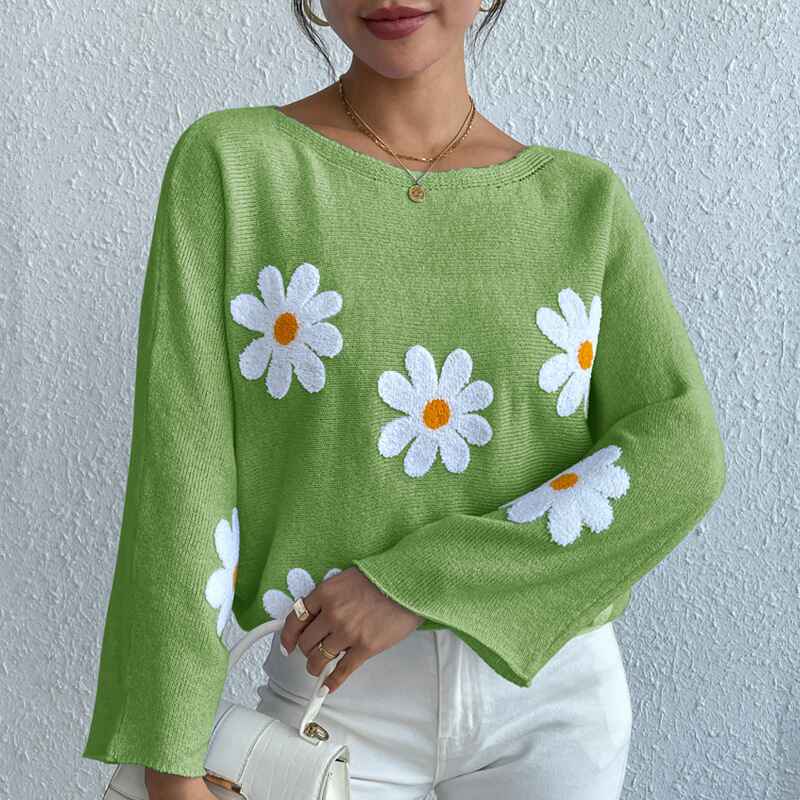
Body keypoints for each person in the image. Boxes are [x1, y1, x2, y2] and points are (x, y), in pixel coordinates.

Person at [81, 2, 728, 799]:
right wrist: (171, 765)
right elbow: (181, 479)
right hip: (326, 706)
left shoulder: (582, 204)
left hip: (550, 701)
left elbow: (683, 453)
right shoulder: (235, 169)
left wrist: (417, 583)